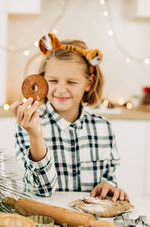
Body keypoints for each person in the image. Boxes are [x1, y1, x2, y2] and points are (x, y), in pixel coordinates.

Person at [10, 33, 128, 201]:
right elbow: (40, 191)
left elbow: (108, 179)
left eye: (71, 82)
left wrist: (107, 186)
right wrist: (36, 136)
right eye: (52, 81)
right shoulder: (29, 125)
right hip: (47, 222)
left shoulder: (104, 128)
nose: (61, 90)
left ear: (88, 83)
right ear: (42, 81)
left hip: (89, 223)